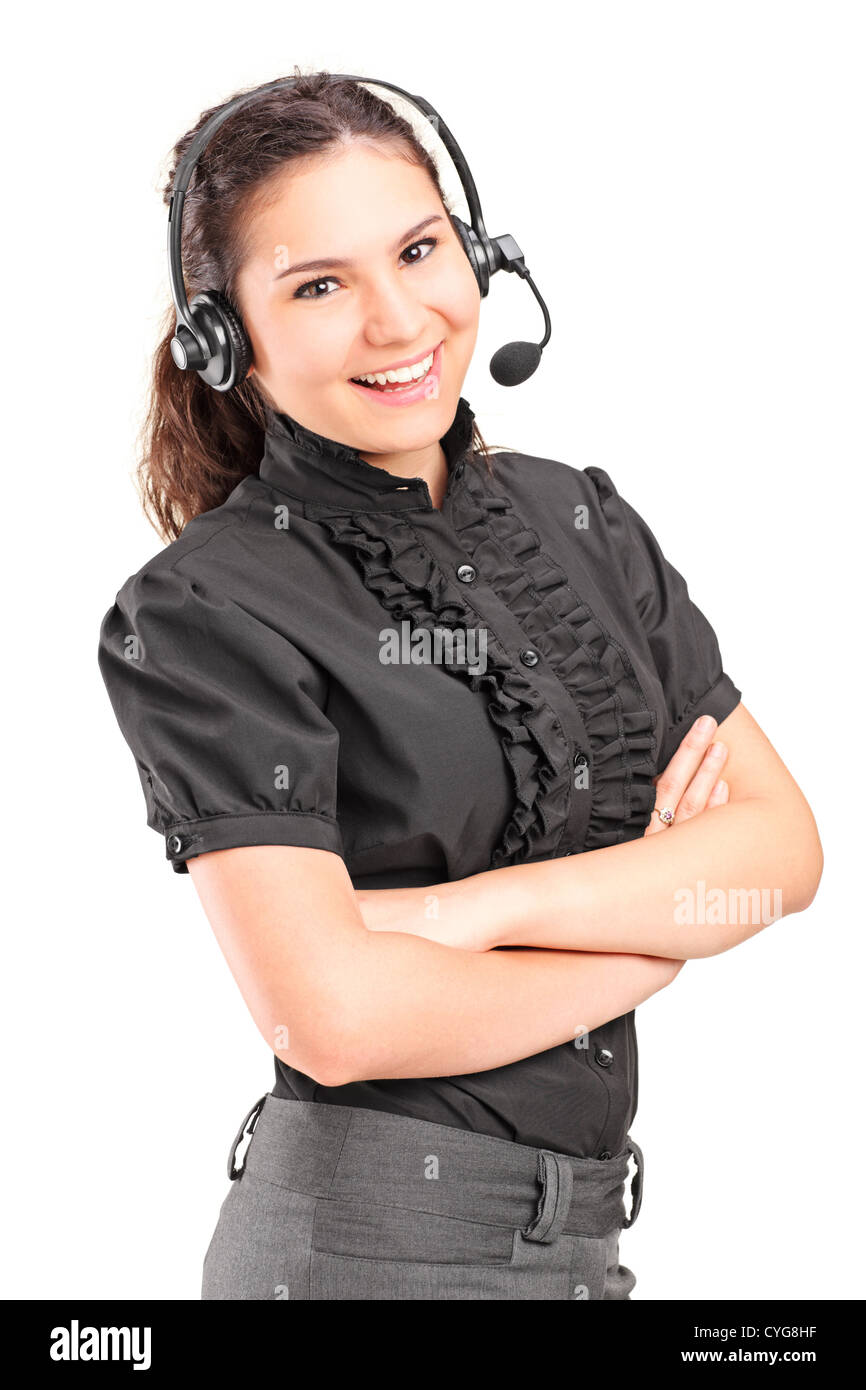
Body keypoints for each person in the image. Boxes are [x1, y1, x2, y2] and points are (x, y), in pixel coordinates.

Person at [97, 69, 823, 1301]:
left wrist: (458, 915)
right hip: (371, 1244)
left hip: (583, 1239)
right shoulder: (204, 608)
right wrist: (654, 939)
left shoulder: (582, 520)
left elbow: (779, 856)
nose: (397, 322)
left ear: (477, 254)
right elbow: (335, 1020)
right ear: (227, 337)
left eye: (419, 251)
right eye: (318, 284)